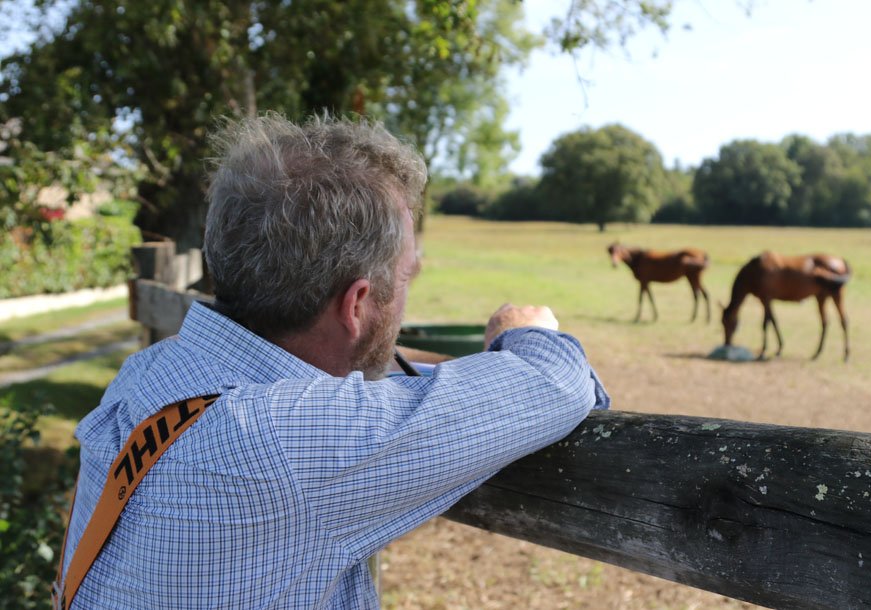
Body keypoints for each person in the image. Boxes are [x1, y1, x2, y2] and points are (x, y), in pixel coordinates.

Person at [57, 114, 609, 609]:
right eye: (407, 275)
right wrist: (525, 332)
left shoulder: (149, 373)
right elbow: (555, 385)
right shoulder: (286, 439)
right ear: (357, 304)